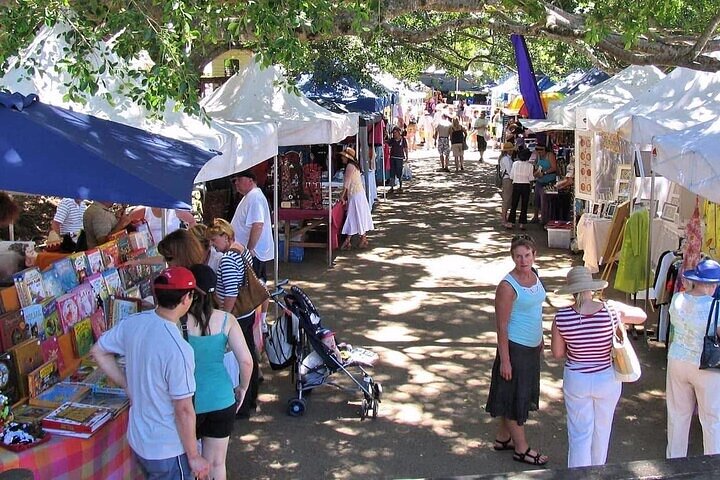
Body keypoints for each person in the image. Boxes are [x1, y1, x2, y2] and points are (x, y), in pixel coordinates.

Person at [91, 266, 210, 480]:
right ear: (186, 299)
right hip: (168, 448)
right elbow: (183, 408)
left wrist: (126, 384)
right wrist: (194, 456)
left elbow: (99, 351)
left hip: (139, 440)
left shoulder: (133, 323)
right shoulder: (178, 349)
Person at [552, 266, 647, 468]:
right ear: (591, 287)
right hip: (607, 377)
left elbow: (558, 353)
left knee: (579, 433)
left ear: (571, 290)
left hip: (576, 377)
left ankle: (579, 474)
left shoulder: (562, 317)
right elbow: (641, 316)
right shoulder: (610, 310)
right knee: (602, 430)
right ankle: (597, 473)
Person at [185, 264, 253, 480]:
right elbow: (246, 361)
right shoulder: (226, 319)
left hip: (186, 401)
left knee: (188, 462)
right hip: (221, 398)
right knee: (216, 464)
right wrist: (242, 387)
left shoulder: (178, 322)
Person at [486, 234, 548, 466]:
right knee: (515, 398)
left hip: (532, 347)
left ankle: (503, 437)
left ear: (534, 255)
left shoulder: (536, 276)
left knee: (511, 395)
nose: (523, 260)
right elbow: (501, 325)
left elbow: (536, 310)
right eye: (518, 256)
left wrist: (541, 337)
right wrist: (505, 360)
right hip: (515, 348)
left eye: (527, 255)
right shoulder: (507, 286)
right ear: (512, 257)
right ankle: (521, 448)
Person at [206, 219, 259, 419]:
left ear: (226, 237)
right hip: (247, 311)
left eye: (214, 239)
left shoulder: (227, 259)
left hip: (236, 314)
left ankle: (243, 403)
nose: (212, 244)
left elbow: (231, 293)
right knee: (249, 353)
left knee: (239, 358)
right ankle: (251, 398)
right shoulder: (242, 250)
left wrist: (225, 317)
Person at [666, 258, 720, 458]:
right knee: (711, 418)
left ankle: (674, 462)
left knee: (678, 415)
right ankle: (713, 465)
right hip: (706, 365)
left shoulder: (677, 299)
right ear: (711, 285)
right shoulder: (716, 307)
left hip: (677, 360)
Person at [229, 169, 274, 344]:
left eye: (238, 180)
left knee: (256, 287)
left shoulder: (254, 197)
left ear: (249, 180)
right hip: (253, 251)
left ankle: (259, 322)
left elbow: (258, 225)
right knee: (259, 285)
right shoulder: (251, 197)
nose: (236, 184)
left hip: (254, 252)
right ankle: (260, 321)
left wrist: (249, 249)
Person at [339, 147, 374, 250]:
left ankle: (354, 240)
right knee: (355, 216)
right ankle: (356, 239)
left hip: (355, 195)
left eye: (343, 156)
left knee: (355, 215)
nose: (341, 158)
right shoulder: (354, 166)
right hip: (357, 194)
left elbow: (347, 183)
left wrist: (341, 196)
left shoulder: (350, 166)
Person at [128, 206, 196, 245]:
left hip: (174, 249)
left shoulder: (175, 210)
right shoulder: (145, 209)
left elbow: (192, 221)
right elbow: (127, 219)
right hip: (154, 252)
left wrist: (187, 241)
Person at [506, 148, 534, 230]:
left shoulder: (515, 164)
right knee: (524, 205)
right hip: (526, 185)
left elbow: (511, 176)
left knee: (514, 204)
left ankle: (511, 222)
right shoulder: (530, 166)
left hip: (516, 184)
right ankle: (522, 223)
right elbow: (531, 178)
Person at [531, 144, 557, 224]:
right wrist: (535, 173)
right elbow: (535, 166)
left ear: (545, 150)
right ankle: (535, 216)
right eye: (538, 150)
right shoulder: (538, 156)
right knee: (536, 199)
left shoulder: (550, 155)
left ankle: (544, 219)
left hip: (549, 180)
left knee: (544, 200)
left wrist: (545, 172)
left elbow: (554, 167)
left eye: (541, 150)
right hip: (540, 180)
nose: (540, 152)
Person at [386, 127, 408, 194]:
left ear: (399, 133)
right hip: (392, 157)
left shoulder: (403, 140)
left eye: (395, 133)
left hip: (400, 158)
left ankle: (400, 186)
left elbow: (405, 148)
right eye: (393, 133)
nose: (394, 134)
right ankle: (392, 187)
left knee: (399, 171)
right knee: (392, 172)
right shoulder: (392, 140)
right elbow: (386, 143)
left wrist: (407, 156)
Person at [498, 142, 515, 224]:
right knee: (506, 199)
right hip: (508, 179)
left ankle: (505, 217)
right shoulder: (506, 159)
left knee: (508, 199)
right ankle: (504, 219)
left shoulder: (507, 158)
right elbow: (510, 171)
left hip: (508, 179)